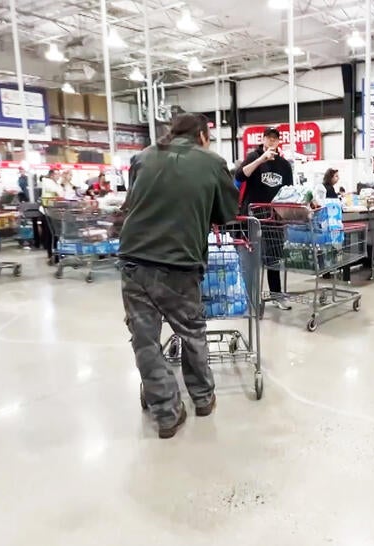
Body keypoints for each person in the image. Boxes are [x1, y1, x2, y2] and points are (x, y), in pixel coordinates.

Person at [118, 113, 238, 439]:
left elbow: (135, 202)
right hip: (180, 265)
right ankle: (202, 398)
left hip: (134, 262)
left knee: (144, 340)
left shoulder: (142, 157)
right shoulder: (212, 162)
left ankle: (167, 413)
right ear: (202, 136)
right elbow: (226, 214)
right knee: (191, 332)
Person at [236, 126, 294, 310]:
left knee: (275, 257)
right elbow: (239, 175)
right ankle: (251, 298)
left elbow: (289, 191)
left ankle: (277, 295)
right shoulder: (254, 157)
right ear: (262, 139)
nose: (271, 141)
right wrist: (261, 159)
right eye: (268, 138)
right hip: (253, 215)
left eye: (274, 139)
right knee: (251, 258)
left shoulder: (284, 165)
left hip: (274, 216)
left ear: (278, 142)